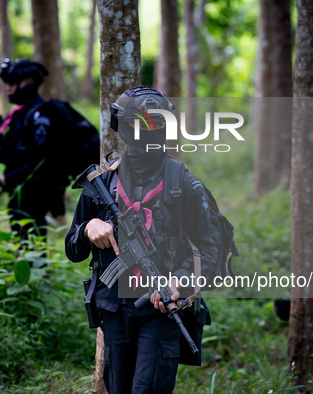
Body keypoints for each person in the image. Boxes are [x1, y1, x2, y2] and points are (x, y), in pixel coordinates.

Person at [65, 86, 217, 393]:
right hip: (115, 311)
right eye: (139, 124)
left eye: (156, 125)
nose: (148, 133)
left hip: (161, 312)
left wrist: (180, 283)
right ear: (123, 127)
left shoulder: (184, 184)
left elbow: (212, 250)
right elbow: (72, 248)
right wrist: (87, 229)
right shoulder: (102, 183)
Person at [0, 58, 69, 241]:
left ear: (27, 83)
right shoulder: (19, 115)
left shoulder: (41, 114)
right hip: (19, 193)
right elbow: (14, 155)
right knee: (21, 247)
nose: (7, 88)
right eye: (6, 84)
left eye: (11, 83)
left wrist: (2, 180)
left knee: (33, 249)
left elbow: (38, 161)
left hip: (36, 194)